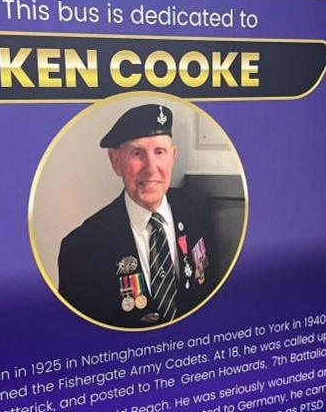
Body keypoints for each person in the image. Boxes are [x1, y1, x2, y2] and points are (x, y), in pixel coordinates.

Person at [58, 104, 218, 328]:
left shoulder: (197, 208)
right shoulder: (82, 247)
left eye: (159, 152)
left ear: (173, 157)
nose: (151, 167)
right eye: (137, 153)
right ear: (116, 162)